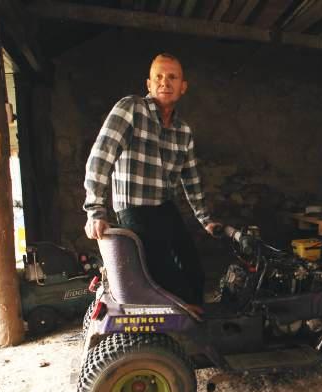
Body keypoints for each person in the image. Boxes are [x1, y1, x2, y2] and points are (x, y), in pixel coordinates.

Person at [83, 53, 220, 305]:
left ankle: (194, 320)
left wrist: (206, 220)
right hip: (135, 210)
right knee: (169, 282)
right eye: (158, 77)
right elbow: (100, 158)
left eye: (172, 77)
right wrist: (95, 211)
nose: (165, 82)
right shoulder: (131, 109)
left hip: (165, 208)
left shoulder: (183, 131)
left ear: (183, 87)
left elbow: (191, 179)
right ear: (149, 84)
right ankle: (180, 324)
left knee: (195, 275)